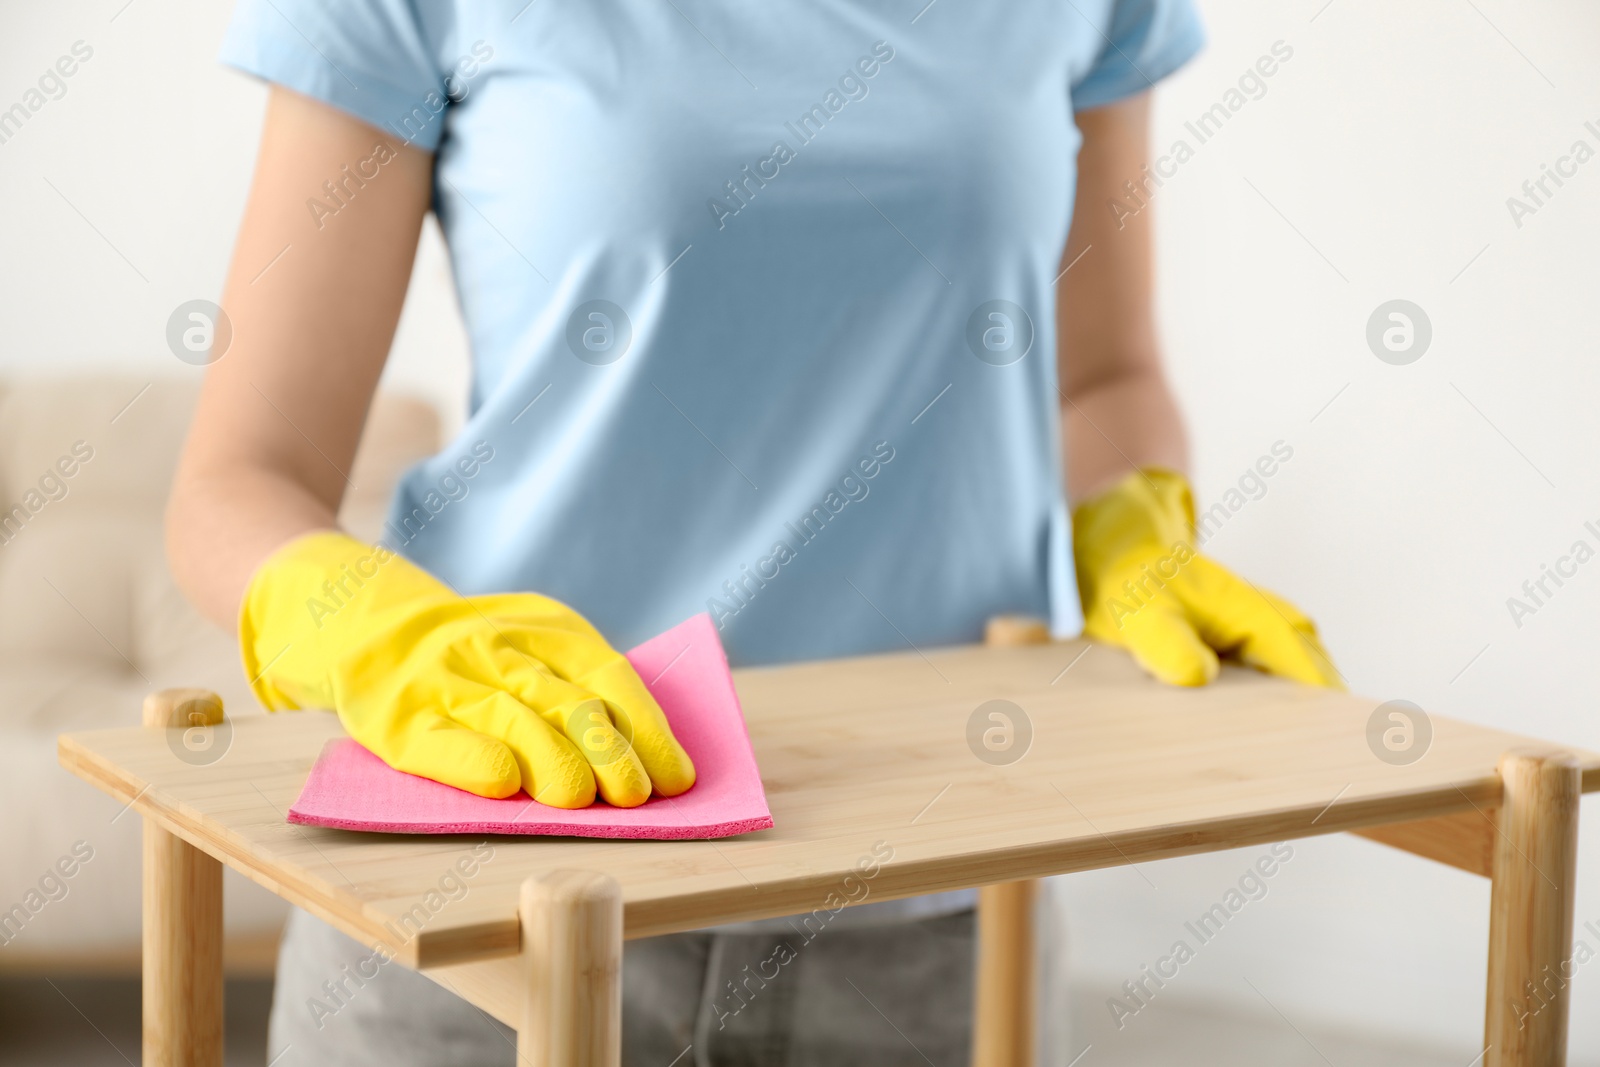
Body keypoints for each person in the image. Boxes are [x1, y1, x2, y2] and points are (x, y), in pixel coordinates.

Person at [168, 1, 1340, 1063]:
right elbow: (241, 481)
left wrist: (1132, 527)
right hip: (487, 897)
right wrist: (376, 629)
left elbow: (1105, 381)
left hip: (937, 923)